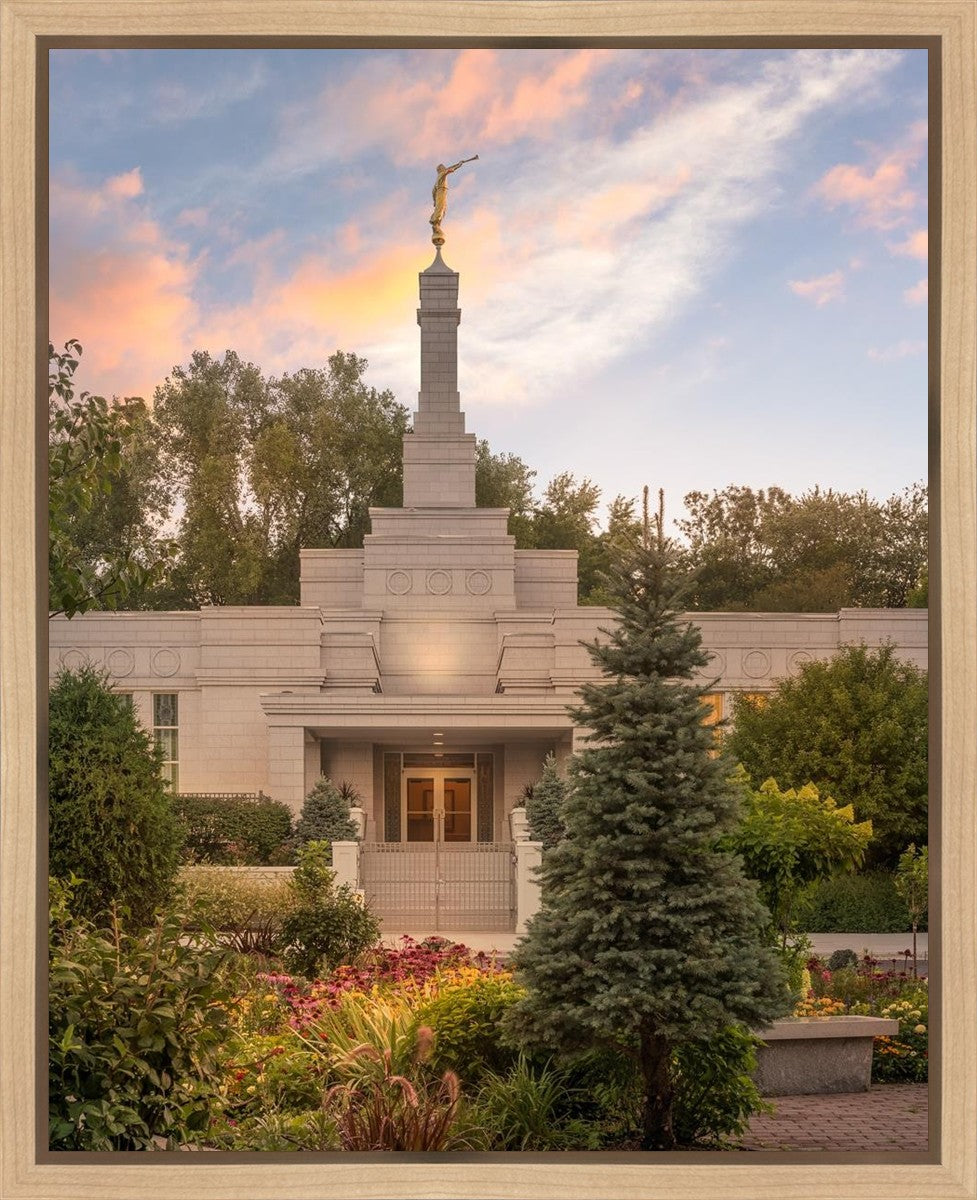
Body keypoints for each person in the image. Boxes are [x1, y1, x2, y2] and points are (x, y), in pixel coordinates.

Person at [430, 155, 478, 240]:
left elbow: (433, 191)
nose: (444, 168)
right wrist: (454, 168)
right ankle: (435, 222)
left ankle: (437, 224)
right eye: (443, 167)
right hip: (441, 191)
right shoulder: (441, 174)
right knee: (440, 208)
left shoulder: (439, 176)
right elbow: (449, 170)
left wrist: (459, 164)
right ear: (440, 169)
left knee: (443, 209)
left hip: (441, 192)